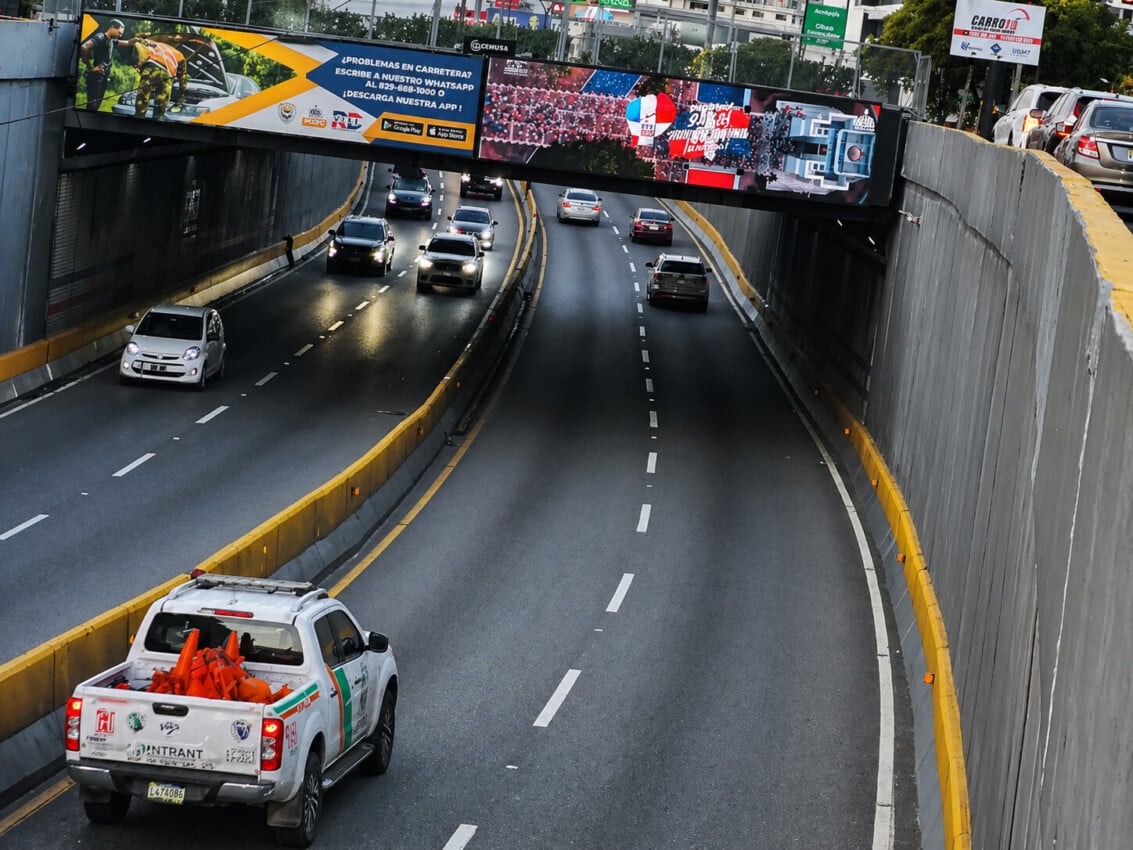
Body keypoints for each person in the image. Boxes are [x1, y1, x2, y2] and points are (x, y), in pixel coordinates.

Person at [78, 19, 132, 111]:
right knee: (92, 104)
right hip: (96, 76)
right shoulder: (100, 37)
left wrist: (139, 38)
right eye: (119, 33)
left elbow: (129, 43)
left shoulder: (112, 40)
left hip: (103, 76)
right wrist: (90, 67)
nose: (120, 35)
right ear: (112, 27)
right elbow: (84, 47)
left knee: (96, 105)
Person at [131, 38, 189, 121]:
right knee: (161, 102)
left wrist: (136, 64)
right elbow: (182, 76)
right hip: (167, 74)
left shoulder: (154, 43)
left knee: (142, 96)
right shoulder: (179, 54)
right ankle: (157, 120)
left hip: (151, 67)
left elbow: (138, 44)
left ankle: (138, 118)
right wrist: (182, 91)